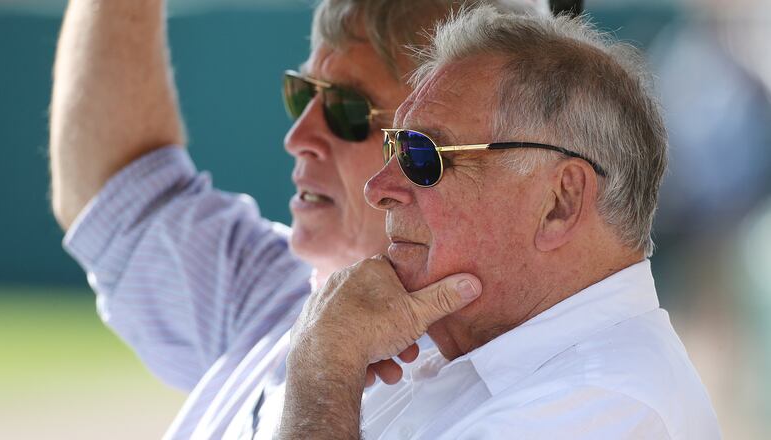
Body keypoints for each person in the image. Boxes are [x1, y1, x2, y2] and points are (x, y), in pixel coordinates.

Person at [48, 0, 552, 438]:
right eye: (302, 94)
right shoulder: (278, 294)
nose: (298, 136)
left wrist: (325, 368)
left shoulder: (537, 392)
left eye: (346, 110)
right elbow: (118, 190)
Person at [277, 7, 722, 439]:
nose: (379, 188)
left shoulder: (605, 403)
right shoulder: (477, 363)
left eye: (423, 156)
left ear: (559, 203)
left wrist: (322, 371)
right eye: (396, 149)